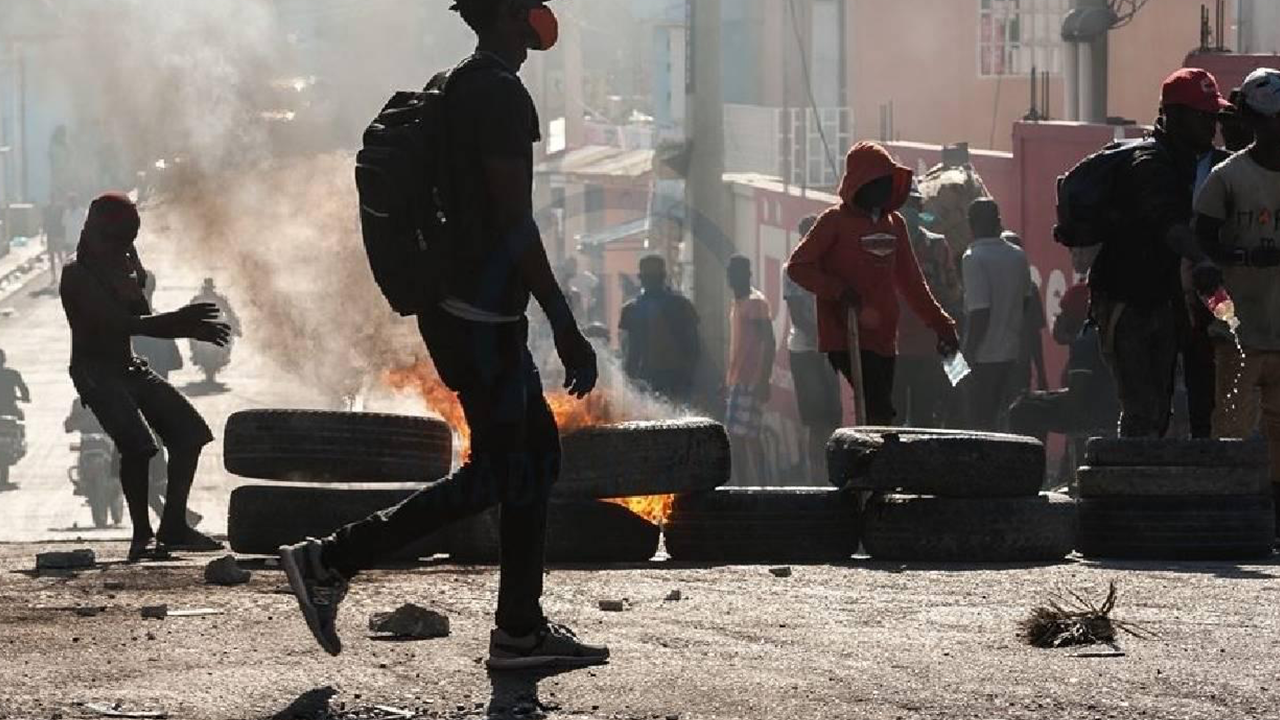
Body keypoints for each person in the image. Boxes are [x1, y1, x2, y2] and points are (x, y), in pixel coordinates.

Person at [278, 0, 609, 671]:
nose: (529, 39)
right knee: (498, 472)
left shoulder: (457, 82)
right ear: (510, 19)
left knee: (536, 457)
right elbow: (515, 221)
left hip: (468, 309)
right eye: (525, 22)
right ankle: (330, 560)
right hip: (479, 316)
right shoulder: (497, 95)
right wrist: (565, 321)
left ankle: (520, 630)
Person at [58, 193, 228, 561]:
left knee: (189, 433)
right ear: (94, 233)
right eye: (116, 240)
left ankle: (174, 526)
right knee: (139, 446)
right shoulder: (76, 275)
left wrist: (137, 275)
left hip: (128, 366)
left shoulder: (118, 266)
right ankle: (142, 535)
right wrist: (183, 324)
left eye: (127, 242)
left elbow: (141, 310)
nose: (121, 248)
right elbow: (124, 324)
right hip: (95, 372)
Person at [1088, 68, 1227, 438]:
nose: (1213, 125)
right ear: (1175, 115)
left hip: (1163, 301)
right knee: (1143, 408)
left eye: (1216, 116)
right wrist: (1202, 259)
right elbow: (1168, 224)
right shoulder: (1148, 163)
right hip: (1127, 300)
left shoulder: (1195, 162)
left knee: (1160, 409)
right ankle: (1129, 490)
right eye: (1204, 116)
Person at [787, 141, 959, 427]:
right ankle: (876, 465)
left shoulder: (895, 225)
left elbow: (913, 285)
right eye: (877, 183)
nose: (884, 190)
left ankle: (869, 465)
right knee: (880, 410)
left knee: (879, 414)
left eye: (887, 182)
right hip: (846, 331)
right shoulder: (834, 221)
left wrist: (943, 325)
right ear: (860, 184)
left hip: (885, 337)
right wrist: (838, 291)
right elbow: (798, 267)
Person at [1193, 67, 1280, 506]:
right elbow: (1201, 252)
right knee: (1230, 429)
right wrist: (1244, 259)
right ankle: (1225, 515)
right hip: (1239, 337)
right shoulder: (1227, 179)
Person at [892, 184, 963, 427]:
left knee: (925, 418)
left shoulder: (937, 246)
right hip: (892, 349)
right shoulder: (882, 246)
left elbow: (954, 295)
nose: (908, 212)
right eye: (903, 206)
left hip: (929, 348)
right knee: (892, 420)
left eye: (913, 206)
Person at [959, 200, 1033, 431]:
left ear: (971, 225)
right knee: (1010, 426)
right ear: (999, 222)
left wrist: (965, 359)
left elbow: (980, 313)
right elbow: (1026, 302)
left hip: (984, 359)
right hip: (1013, 355)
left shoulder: (972, 257)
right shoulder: (1018, 256)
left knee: (981, 425)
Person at [784, 215, 842, 480]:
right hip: (806, 351)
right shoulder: (792, 270)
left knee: (833, 419)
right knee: (816, 420)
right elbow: (798, 316)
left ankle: (831, 475)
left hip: (829, 350)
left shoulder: (832, 267)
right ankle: (816, 478)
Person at [618, 254, 700, 405]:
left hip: (666, 382)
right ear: (664, 277)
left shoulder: (632, 309)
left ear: (640, 278)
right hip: (665, 382)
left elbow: (629, 352)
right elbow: (694, 348)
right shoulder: (681, 305)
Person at [724, 255, 775, 486]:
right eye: (731, 272)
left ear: (747, 274)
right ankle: (745, 486)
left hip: (751, 380)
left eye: (737, 272)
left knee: (750, 437)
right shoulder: (737, 303)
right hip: (737, 380)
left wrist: (763, 379)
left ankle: (760, 488)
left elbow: (769, 341)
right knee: (737, 437)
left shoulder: (755, 303)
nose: (732, 277)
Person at [43, 197, 68, 286]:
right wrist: (43, 235)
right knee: (52, 256)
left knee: (59, 255)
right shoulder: (47, 210)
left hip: (57, 234)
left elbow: (64, 222)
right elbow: (45, 223)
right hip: (51, 235)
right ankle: (54, 276)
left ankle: (63, 273)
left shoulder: (60, 209)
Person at [0, 349, 31, 421]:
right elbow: (23, 389)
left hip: (8, 408)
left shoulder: (13, 373)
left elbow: (23, 388)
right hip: (10, 408)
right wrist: (25, 398)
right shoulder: (13, 374)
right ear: (4, 360)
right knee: (20, 418)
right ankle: (21, 431)